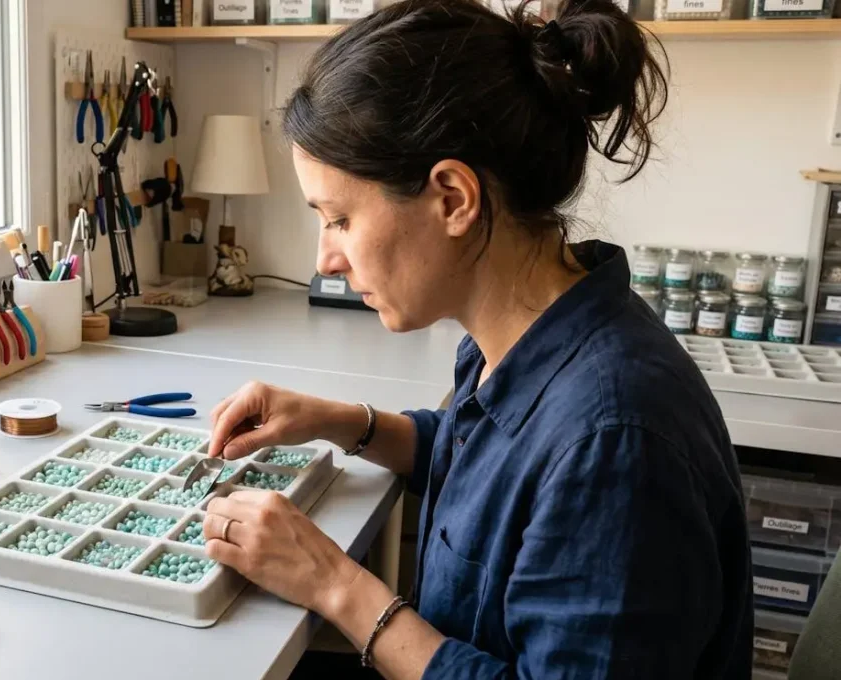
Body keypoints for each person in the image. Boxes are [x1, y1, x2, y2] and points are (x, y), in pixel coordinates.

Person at [199, 0, 754, 677]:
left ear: (454, 199)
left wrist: (334, 584)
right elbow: (484, 465)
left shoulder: (616, 442)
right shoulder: (526, 330)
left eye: (339, 218)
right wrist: (334, 420)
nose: (325, 260)